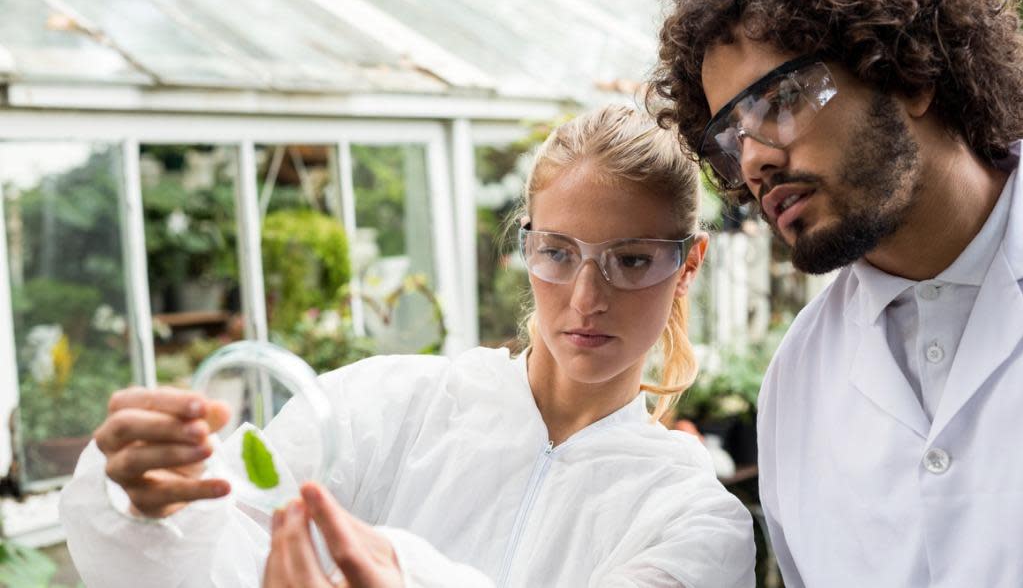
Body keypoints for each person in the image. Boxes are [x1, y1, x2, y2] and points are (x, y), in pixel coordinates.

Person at [60, 105, 756, 587]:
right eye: (557, 252)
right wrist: (151, 509)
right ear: (526, 245)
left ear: (688, 264)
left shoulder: (689, 518)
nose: (585, 298)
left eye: (631, 260)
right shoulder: (378, 407)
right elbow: (223, 554)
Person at [648, 0, 1023, 586]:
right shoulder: (797, 385)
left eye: (780, 100)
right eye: (730, 137)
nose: (753, 160)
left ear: (909, 74)